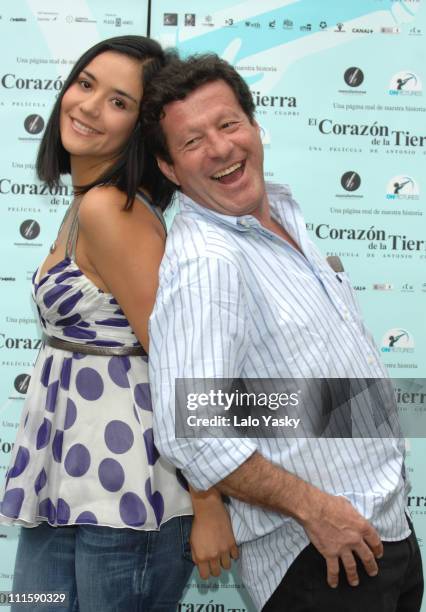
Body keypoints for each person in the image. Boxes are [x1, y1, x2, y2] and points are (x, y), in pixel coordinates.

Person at [142, 54, 424, 612]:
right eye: (193, 141)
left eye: (228, 124)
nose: (221, 149)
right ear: (170, 168)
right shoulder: (209, 259)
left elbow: (283, 393)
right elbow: (195, 426)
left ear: (252, 124)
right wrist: (317, 509)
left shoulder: (282, 213)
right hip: (318, 558)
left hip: (380, 529)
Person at [0, 39, 238, 611]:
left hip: (130, 499)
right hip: (67, 484)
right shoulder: (87, 201)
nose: (87, 106)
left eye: (117, 101)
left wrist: (208, 504)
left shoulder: (111, 209)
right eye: (85, 84)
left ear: (139, 129)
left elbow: (178, 363)